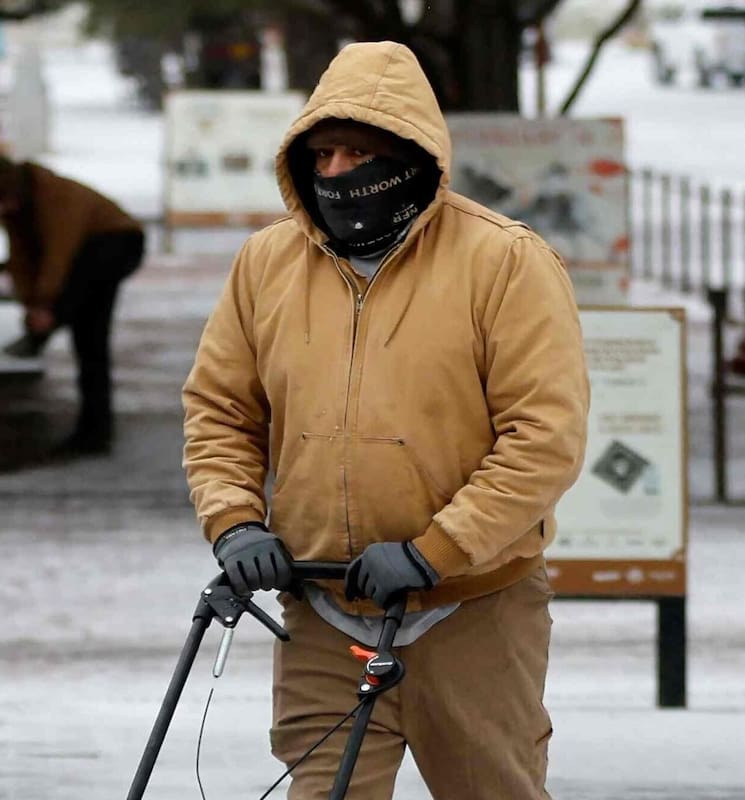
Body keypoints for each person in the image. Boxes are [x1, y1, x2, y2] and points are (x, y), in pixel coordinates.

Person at [182, 41, 589, 799]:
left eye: (359, 153)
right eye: (322, 153)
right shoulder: (266, 265)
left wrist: (439, 549)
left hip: (472, 611)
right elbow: (221, 411)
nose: (336, 172)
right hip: (323, 608)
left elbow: (544, 437)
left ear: (411, 157)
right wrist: (235, 523)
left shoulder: (504, 262)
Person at [0, 152, 145, 455]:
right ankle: (93, 431)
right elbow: (21, 261)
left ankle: (43, 334)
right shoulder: (15, 208)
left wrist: (46, 306)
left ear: (15, 188)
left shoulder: (55, 197)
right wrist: (30, 304)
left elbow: (59, 254)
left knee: (89, 335)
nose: (5, 207)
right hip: (84, 255)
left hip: (117, 242)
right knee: (87, 340)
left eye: (6, 199)